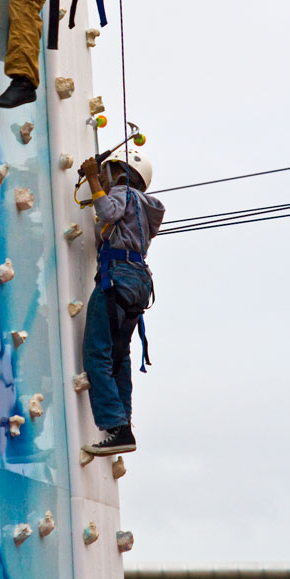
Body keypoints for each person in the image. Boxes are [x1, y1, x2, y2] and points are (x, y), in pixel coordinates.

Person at [79, 147, 165, 455]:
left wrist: (91, 179)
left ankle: (116, 425)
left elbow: (108, 213)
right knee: (118, 355)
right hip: (139, 281)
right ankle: (123, 425)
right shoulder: (144, 205)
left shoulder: (123, 194)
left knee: (96, 354)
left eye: (108, 171)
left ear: (122, 174)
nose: (104, 176)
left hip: (118, 277)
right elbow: (115, 225)